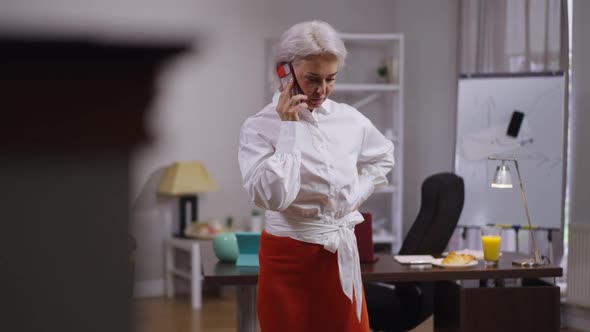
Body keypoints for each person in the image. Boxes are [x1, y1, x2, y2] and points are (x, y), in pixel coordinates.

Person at [238, 20, 394, 332]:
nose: (322, 90)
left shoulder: (349, 119)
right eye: (312, 78)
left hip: (338, 253)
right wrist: (289, 129)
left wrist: (354, 195)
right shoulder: (257, 127)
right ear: (284, 71)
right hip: (287, 260)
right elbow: (273, 197)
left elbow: (383, 157)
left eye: (330, 79)